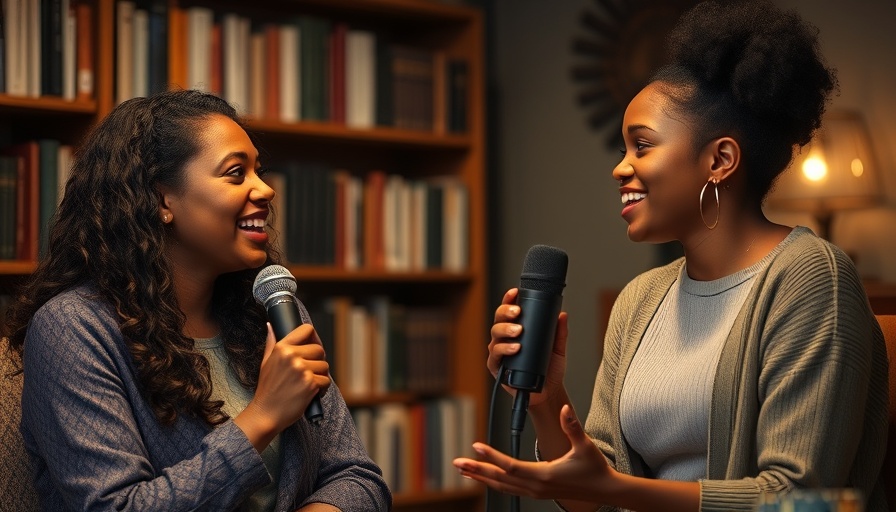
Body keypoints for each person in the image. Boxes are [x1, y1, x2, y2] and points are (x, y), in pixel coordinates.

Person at [453, 1, 889, 511]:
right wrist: (548, 401)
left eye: (642, 145)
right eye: (623, 150)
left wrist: (614, 489)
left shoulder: (811, 278)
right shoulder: (640, 300)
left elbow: (797, 497)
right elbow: (593, 494)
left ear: (719, 160)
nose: (620, 169)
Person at [3, 89, 391, 511]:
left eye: (259, 171)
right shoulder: (74, 329)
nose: (265, 190)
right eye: (235, 173)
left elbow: (356, 476)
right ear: (162, 199)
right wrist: (263, 415)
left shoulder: (273, 311)